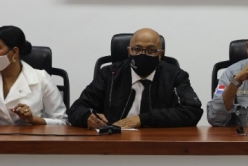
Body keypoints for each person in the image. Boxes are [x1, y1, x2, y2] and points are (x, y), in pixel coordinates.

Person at [68, 28, 202, 129]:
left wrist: (143, 119)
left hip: (158, 143)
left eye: (150, 50)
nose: (142, 55)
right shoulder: (109, 74)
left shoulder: (175, 76)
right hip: (112, 142)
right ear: (129, 51)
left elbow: (193, 111)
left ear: (160, 54)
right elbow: (76, 109)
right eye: (137, 49)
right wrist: (86, 117)